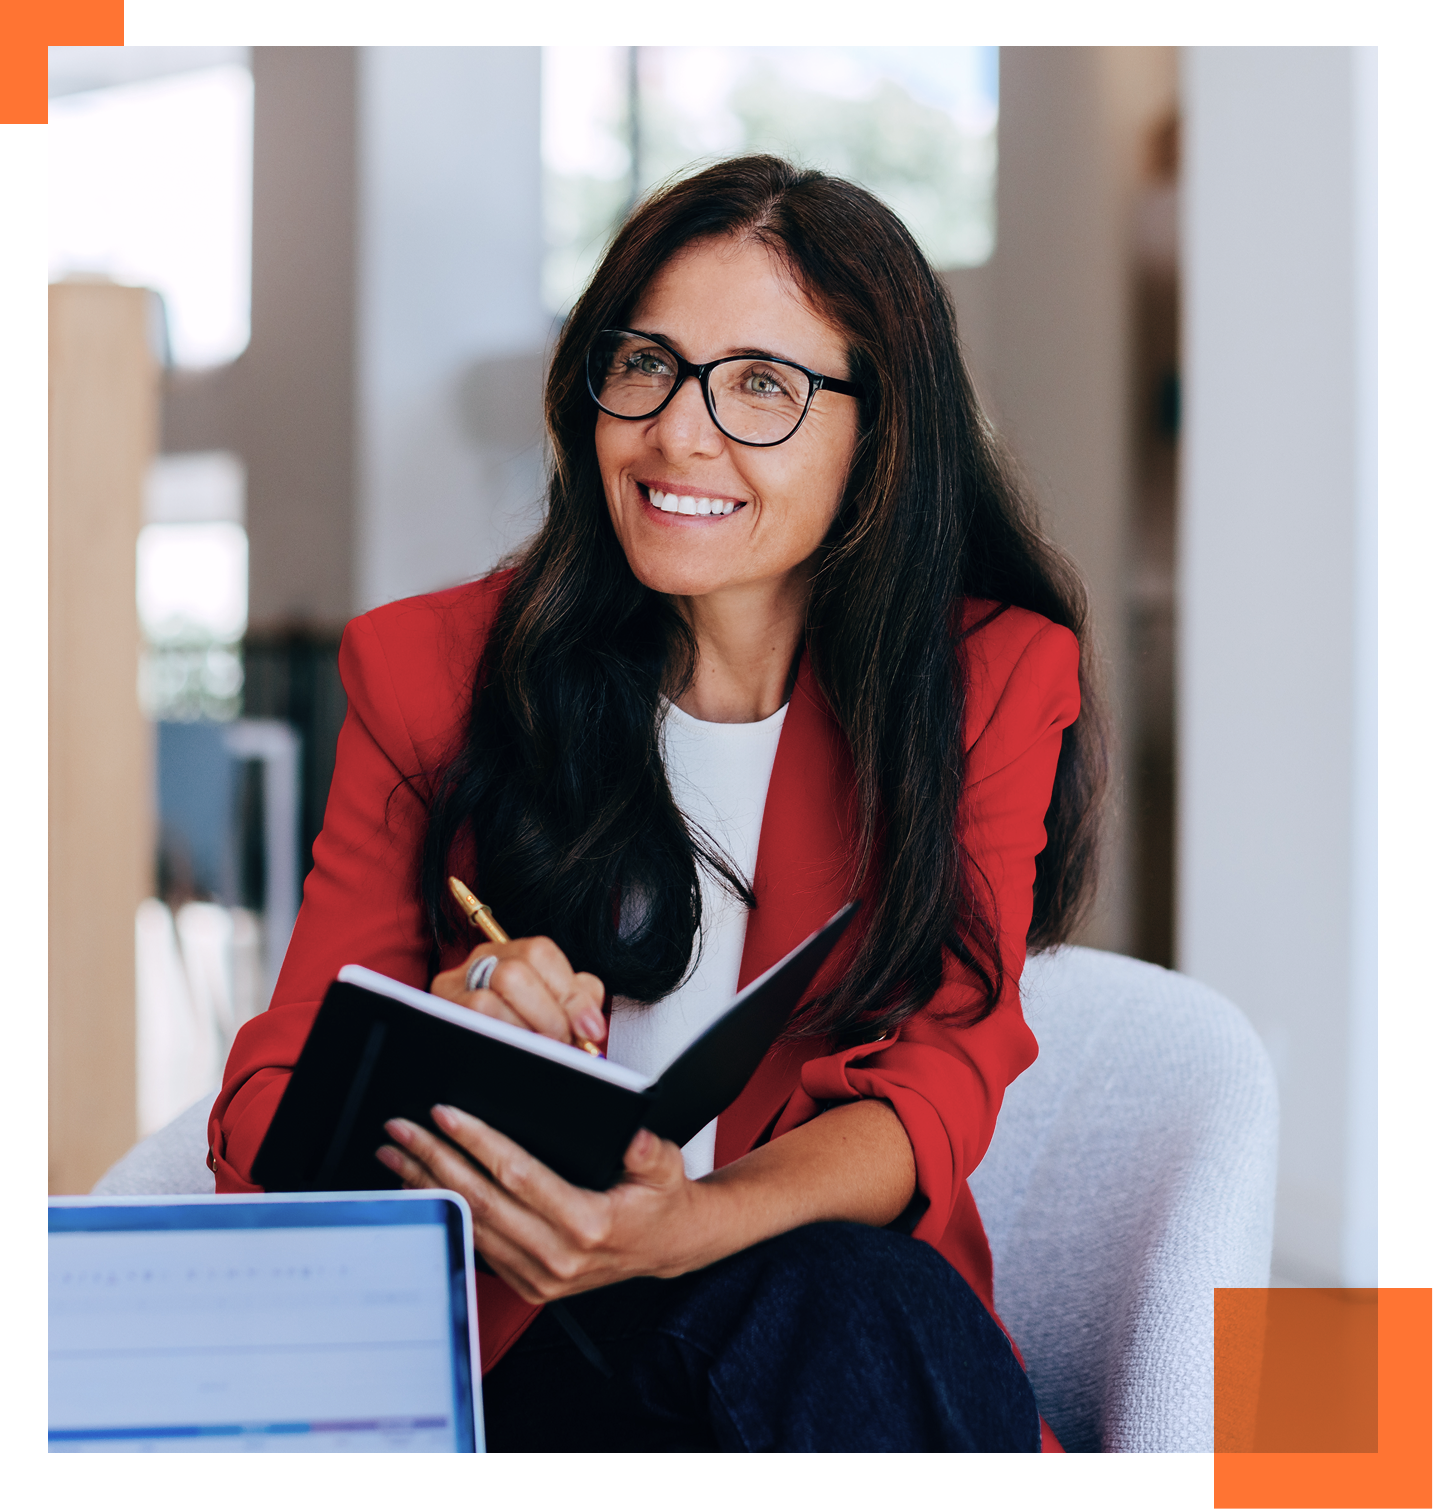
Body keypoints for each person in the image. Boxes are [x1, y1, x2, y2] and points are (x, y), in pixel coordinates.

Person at [210, 155, 1105, 1461]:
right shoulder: (433, 674)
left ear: (879, 435)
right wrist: (440, 1026)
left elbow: (941, 1088)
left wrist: (696, 1219)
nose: (679, 433)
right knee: (845, 1311)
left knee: (837, 1291)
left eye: (762, 386)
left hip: (812, 1309)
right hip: (506, 1351)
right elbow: (260, 1131)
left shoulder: (986, 680)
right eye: (646, 364)